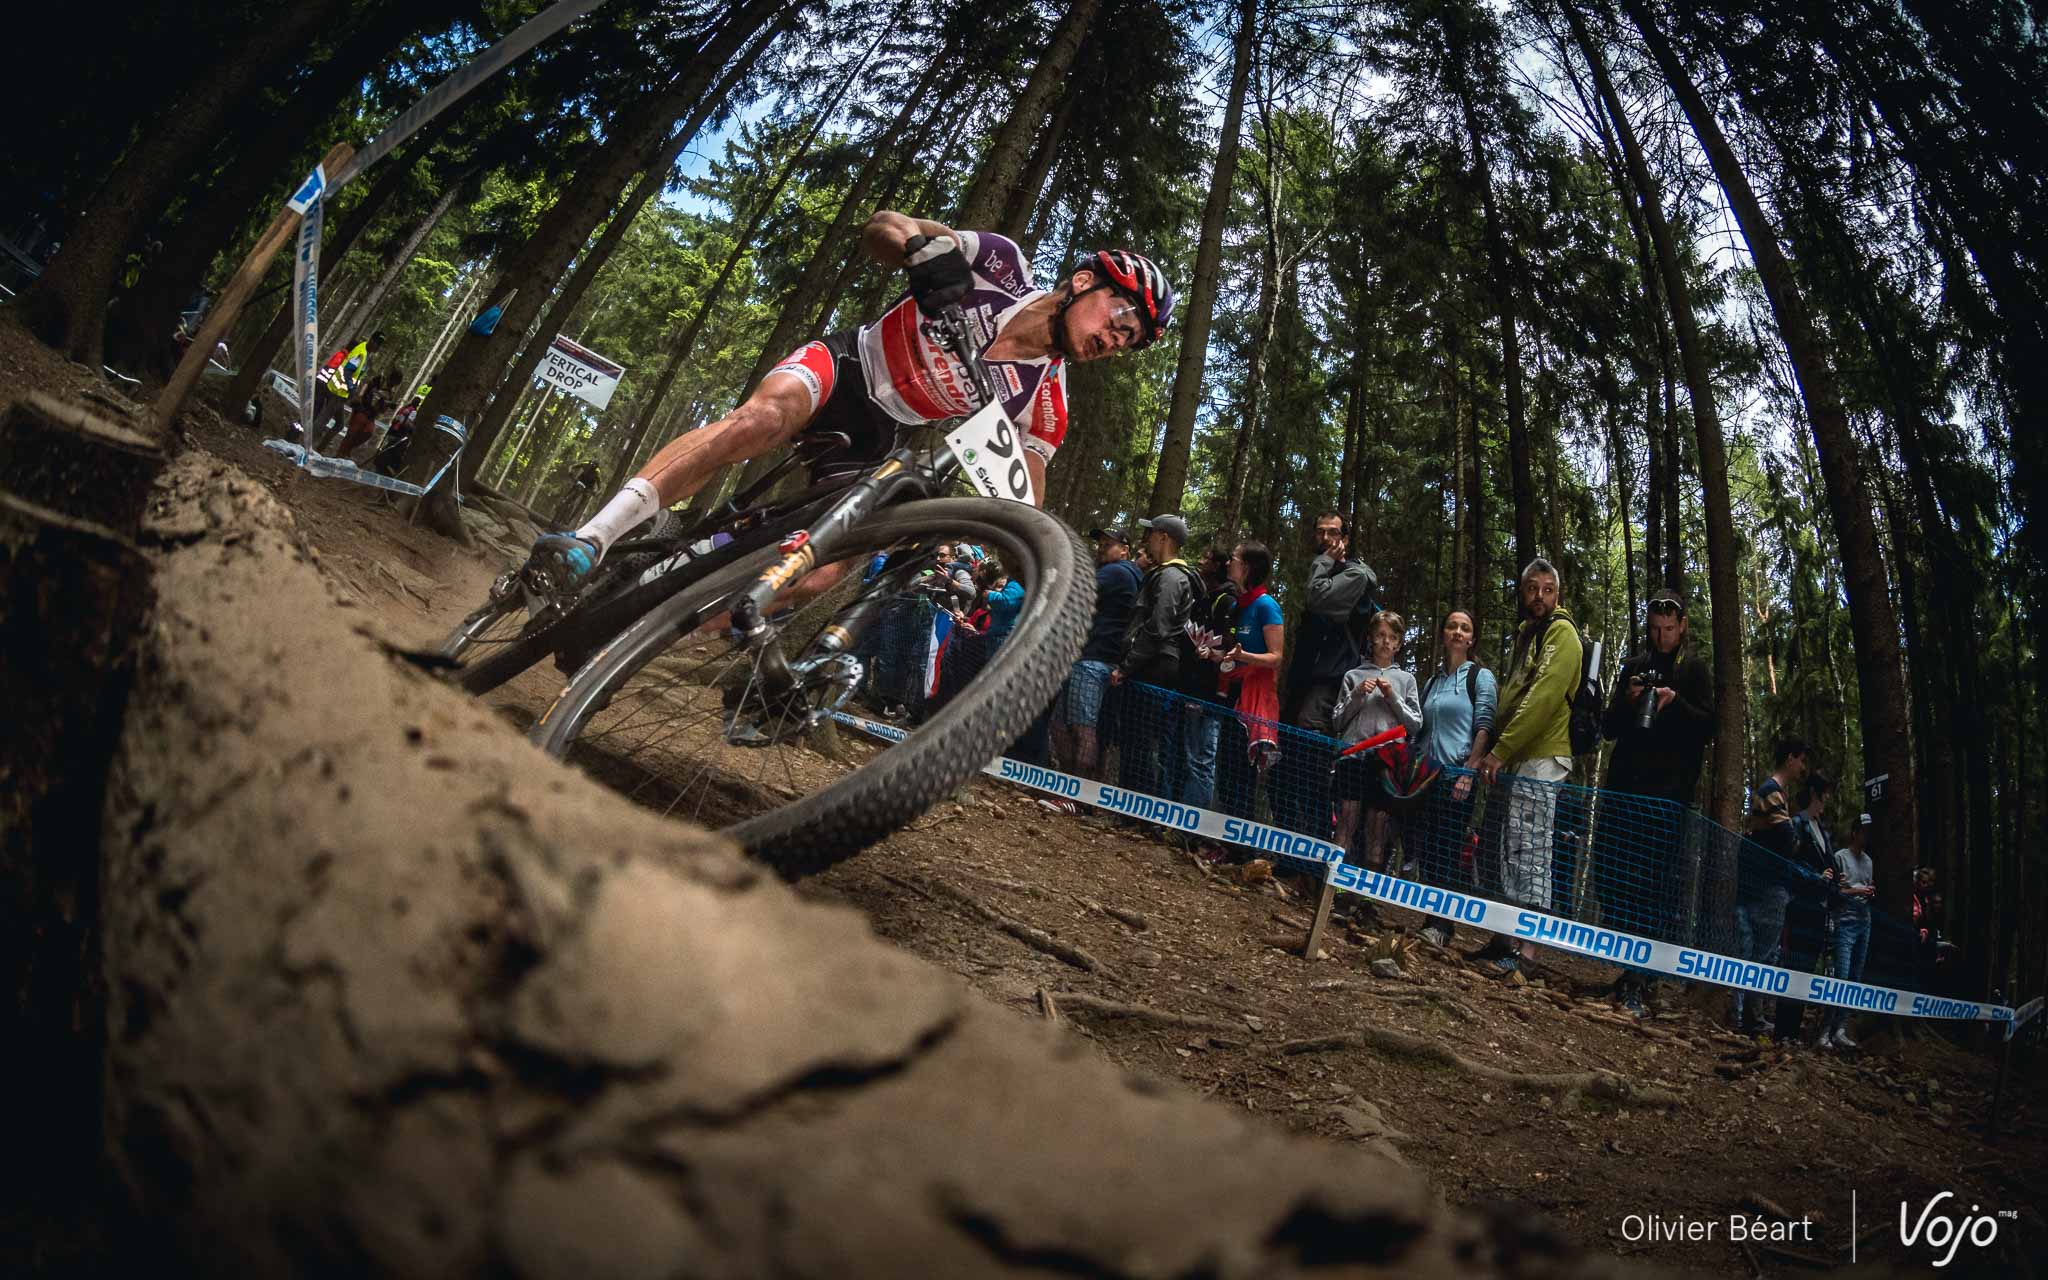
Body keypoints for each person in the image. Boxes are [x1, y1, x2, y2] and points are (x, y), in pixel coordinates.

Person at [522, 211, 1174, 597]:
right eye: (1118, 320)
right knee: (760, 420)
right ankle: (593, 538)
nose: (1114, 342)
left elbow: (1025, 493)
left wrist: (1024, 549)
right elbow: (883, 228)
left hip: (880, 433)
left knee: (822, 572)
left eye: (1128, 342)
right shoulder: (1000, 265)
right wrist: (918, 250)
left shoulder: (1048, 400)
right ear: (1083, 281)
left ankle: (660, 629)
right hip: (848, 365)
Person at [1594, 588, 1716, 1011]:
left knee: (1655, 887)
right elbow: (1607, 728)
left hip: (1666, 801)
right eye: (1656, 629)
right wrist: (1630, 701)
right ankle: (1627, 967)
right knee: (1611, 878)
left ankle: (1641, 979)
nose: (1662, 636)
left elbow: (1708, 727)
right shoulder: (1634, 667)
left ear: (1682, 627)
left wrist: (1674, 702)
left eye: (1670, 629)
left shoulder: (1694, 671)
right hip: (1623, 793)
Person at [1477, 558, 1582, 976]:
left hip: (1542, 757)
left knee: (1533, 850)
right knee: (1511, 849)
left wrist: (1499, 751)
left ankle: (1528, 955)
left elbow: (1542, 699)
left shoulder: (1562, 634)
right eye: (1531, 589)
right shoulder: (1528, 635)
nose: (1538, 597)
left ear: (1558, 594)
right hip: (1520, 757)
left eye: (1547, 589)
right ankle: (1506, 940)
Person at [1275, 513, 1378, 840]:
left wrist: (1321, 563)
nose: (1325, 538)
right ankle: (1289, 847)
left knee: (1310, 766)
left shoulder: (1355, 575)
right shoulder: (1324, 570)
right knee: (1286, 768)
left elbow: (1319, 599)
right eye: (1319, 532)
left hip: (1329, 683)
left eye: (1332, 532)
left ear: (1345, 538)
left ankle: (1312, 853)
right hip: (1304, 679)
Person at [1409, 609, 1498, 949]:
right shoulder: (1433, 681)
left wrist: (1470, 771)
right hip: (1428, 776)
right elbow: (1422, 728)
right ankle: (1430, 919)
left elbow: (1485, 725)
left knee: (1448, 849)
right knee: (1428, 848)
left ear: (1472, 638)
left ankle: (1443, 927)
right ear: (1443, 633)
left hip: (1458, 777)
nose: (1458, 632)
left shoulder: (1481, 677)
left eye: (1465, 628)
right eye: (1452, 626)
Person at [1113, 515, 1200, 804]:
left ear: (1163, 538)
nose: (1146, 539)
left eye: (1150, 534)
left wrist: (1127, 666)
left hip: (1155, 665)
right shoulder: (1163, 573)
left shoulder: (1173, 577)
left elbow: (1158, 626)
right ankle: (1128, 809)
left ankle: (1140, 811)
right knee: (1133, 738)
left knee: (1140, 740)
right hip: (1149, 663)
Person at [1330, 611, 1423, 868]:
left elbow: (1415, 724)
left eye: (1392, 637)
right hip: (1353, 758)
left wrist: (1393, 697)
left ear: (1399, 643)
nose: (1385, 642)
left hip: (1386, 763)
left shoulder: (1406, 680)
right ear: (1371, 638)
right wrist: (1358, 694)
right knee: (1345, 824)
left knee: (1377, 830)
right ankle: (1335, 888)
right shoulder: (1353, 675)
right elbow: (1337, 720)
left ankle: (1366, 898)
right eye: (1380, 635)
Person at [1052, 528, 1144, 786]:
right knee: (1060, 725)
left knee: (1082, 727)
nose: (1101, 548)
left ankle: (1076, 793)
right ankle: (1067, 788)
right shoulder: (1124, 573)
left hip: (1094, 659)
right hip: (1088, 657)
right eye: (1100, 544)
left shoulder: (1117, 572)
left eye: (1108, 544)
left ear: (1125, 549)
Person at [1733, 737, 1812, 1036]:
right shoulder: (1771, 792)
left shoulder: (1775, 794)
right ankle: (1751, 1019)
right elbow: (1786, 839)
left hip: (1764, 881)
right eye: (1801, 760)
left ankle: (1751, 1015)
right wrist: (1797, 839)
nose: (1802, 767)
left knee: (1761, 951)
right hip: (1766, 883)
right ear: (1790, 758)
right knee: (1763, 953)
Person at [1211, 541, 1284, 823]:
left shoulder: (1267, 605)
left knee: (1242, 772)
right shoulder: (1238, 604)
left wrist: (1245, 655)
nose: (1229, 562)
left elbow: (1276, 657)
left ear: (1247, 567)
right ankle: (1222, 838)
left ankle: (1239, 846)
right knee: (1227, 767)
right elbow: (1236, 654)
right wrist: (1217, 655)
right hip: (1232, 690)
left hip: (1254, 696)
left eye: (1234, 558)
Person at [1778, 773, 1838, 1044]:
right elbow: (1790, 864)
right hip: (1799, 905)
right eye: (1826, 793)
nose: (1829, 799)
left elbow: (1828, 865)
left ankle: (1794, 1028)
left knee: (1808, 967)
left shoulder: (1822, 829)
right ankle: (1783, 1029)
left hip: (1819, 908)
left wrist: (1835, 879)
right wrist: (1816, 877)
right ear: (1816, 793)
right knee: (1793, 963)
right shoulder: (1799, 823)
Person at [1821, 814, 1876, 1049]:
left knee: (1854, 979)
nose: (1867, 835)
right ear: (1855, 833)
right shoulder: (1840, 857)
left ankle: (1840, 1028)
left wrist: (1869, 893)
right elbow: (1834, 892)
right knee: (1840, 977)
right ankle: (1824, 1030)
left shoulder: (1869, 862)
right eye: (1864, 831)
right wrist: (1857, 892)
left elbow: (1867, 888)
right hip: (1844, 923)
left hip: (1864, 922)